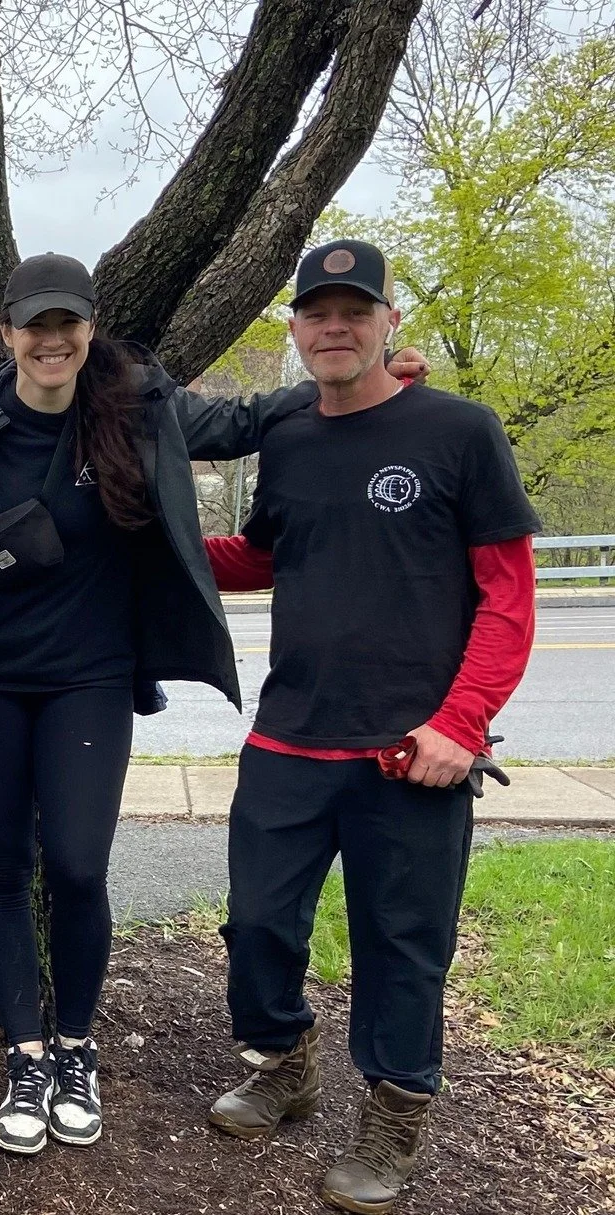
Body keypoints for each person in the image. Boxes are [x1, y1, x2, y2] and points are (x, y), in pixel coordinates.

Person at [0, 253, 421, 1156]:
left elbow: (247, 417)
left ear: (88, 328)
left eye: (67, 323)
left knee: (73, 864)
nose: (51, 339)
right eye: (34, 324)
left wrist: (372, 377)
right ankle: (25, 1058)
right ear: (7, 333)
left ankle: (75, 1047)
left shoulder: (136, 404)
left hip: (91, 676)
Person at [202, 239, 538, 1215]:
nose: (336, 327)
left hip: (412, 754)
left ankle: (395, 1120)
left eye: (356, 310)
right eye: (318, 313)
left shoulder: (460, 433)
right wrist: (146, 537)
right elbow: (263, 555)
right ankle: (287, 1065)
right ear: (297, 330)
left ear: (391, 321)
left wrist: (461, 725)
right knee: (258, 926)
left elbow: (507, 599)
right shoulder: (293, 437)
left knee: (402, 943)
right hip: (290, 740)